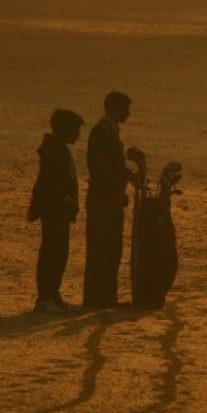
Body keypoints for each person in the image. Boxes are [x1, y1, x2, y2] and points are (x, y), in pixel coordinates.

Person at [27, 109, 84, 312]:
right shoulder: (55, 151)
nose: (77, 135)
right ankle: (45, 297)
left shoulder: (58, 149)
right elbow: (50, 183)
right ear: (64, 130)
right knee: (52, 251)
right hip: (54, 210)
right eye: (75, 130)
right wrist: (64, 199)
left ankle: (53, 293)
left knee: (59, 251)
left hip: (59, 209)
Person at [83, 91, 133, 308]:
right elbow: (101, 170)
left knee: (111, 248)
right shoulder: (102, 132)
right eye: (125, 109)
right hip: (103, 200)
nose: (128, 114)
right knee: (102, 248)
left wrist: (127, 175)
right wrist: (118, 189)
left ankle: (106, 297)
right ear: (114, 108)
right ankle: (98, 298)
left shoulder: (108, 131)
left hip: (106, 199)